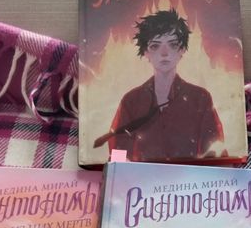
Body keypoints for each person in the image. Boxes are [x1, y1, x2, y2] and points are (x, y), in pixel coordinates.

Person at [93, 9, 224, 160]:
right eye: (155, 46)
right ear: (146, 52)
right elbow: (118, 154)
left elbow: (214, 152)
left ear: (182, 50)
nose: (164, 53)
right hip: (140, 175)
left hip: (190, 174)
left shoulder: (200, 98)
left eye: (173, 45)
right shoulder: (131, 100)